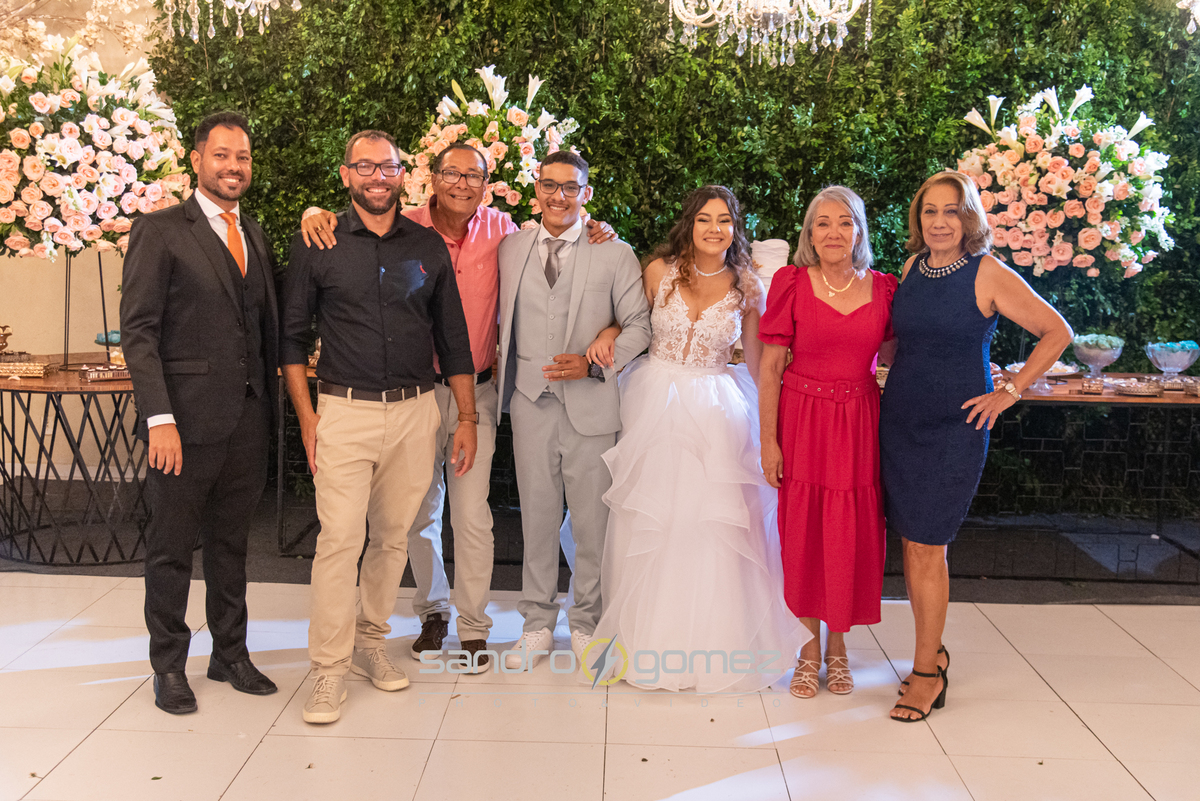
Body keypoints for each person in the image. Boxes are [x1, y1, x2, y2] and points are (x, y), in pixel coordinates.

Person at [298, 144, 615, 671]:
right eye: (451, 173)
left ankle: (473, 626)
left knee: (471, 515)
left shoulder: (505, 233)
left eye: (473, 176)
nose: (462, 184)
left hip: (478, 392)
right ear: (431, 177)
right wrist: (316, 213)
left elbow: (560, 235)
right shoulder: (404, 228)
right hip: (415, 395)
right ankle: (433, 612)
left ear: (487, 185)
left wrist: (597, 227)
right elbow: (350, 225)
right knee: (419, 515)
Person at [280, 130, 477, 724]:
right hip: (344, 411)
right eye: (363, 167)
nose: (376, 177)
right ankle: (328, 669)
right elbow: (291, 339)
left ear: (402, 175)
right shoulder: (318, 241)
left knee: (392, 539)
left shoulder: (427, 245)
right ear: (346, 174)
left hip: (417, 412)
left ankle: (370, 642)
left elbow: (454, 339)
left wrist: (466, 416)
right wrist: (307, 417)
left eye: (387, 167)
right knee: (339, 541)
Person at [587, 185, 807, 692]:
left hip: (716, 410)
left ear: (735, 227)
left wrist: (773, 428)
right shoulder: (657, 271)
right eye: (705, 218)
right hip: (652, 401)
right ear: (689, 224)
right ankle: (642, 643)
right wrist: (609, 332)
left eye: (724, 220)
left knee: (710, 524)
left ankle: (712, 648)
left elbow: (759, 364)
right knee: (653, 520)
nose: (714, 228)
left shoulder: (748, 285)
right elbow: (630, 321)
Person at [880, 170, 1072, 722]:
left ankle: (926, 673)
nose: (940, 222)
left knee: (928, 544)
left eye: (952, 211)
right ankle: (932, 650)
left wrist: (1009, 391)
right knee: (912, 545)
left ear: (970, 218)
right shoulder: (912, 268)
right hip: (901, 421)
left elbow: (1058, 332)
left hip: (954, 428)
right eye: (930, 211)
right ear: (918, 218)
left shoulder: (987, 272)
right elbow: (902, 343)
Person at [121, 111, 279, 714]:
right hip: (182, 425)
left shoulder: (254, 233)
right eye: (222, 155)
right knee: (171, 548)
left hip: (247, 421)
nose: (234, 166)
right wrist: (159, 419)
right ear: (197, 161)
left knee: (231, 545)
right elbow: (139, 333)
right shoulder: (160, 230)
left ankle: (230, 654)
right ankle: (168, 665)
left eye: (243, 156)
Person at [497, 149, 651, 670]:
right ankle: (536, 626)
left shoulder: (615, 252)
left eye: (570, 187)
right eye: (549, 185)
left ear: (586, 194)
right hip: (529, 402)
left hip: (591, 406)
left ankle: (587, 624)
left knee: (592, 525)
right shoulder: (510, 247)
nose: (558, 196)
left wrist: (593, 363)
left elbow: (640, 326)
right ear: (536, 188)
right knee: (537, 519)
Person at [757, 186, 898, 699]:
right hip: (802, 421)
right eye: (823, 223)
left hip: (859, 423)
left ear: (859, 231)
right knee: (803, 535)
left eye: (845, 222)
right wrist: (768, 442)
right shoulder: (791, 283)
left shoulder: (885, 288)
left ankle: (838, 647)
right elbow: (770, 369)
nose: (834, 232)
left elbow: (897, 359)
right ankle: (807, 650)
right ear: (810, 234)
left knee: (848, 534)